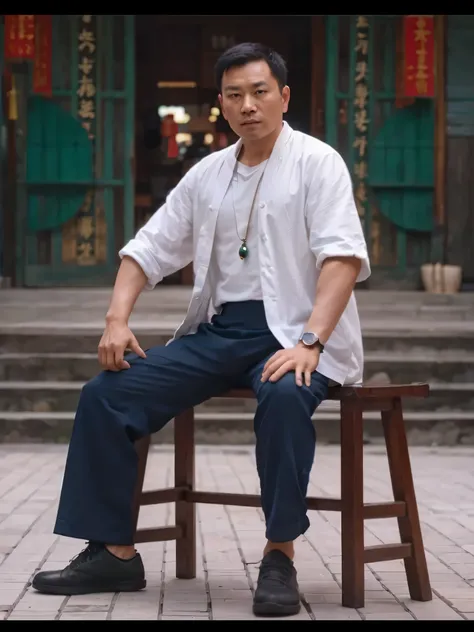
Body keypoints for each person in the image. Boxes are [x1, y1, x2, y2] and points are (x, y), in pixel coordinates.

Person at [31, 42, 370, 617]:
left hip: (295, 330)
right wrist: (117, 320)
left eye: (260, 92)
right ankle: (113, 552)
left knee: (286, 397)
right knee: (106, 395)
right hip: (220, 333)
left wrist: (310, 341)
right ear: (221, 104)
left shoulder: (318, 162)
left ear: (284, 97)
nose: (248, 105)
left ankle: (279, 554)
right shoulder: (208, 175)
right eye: (235, 95)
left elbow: (341, 257)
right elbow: (147, 249)